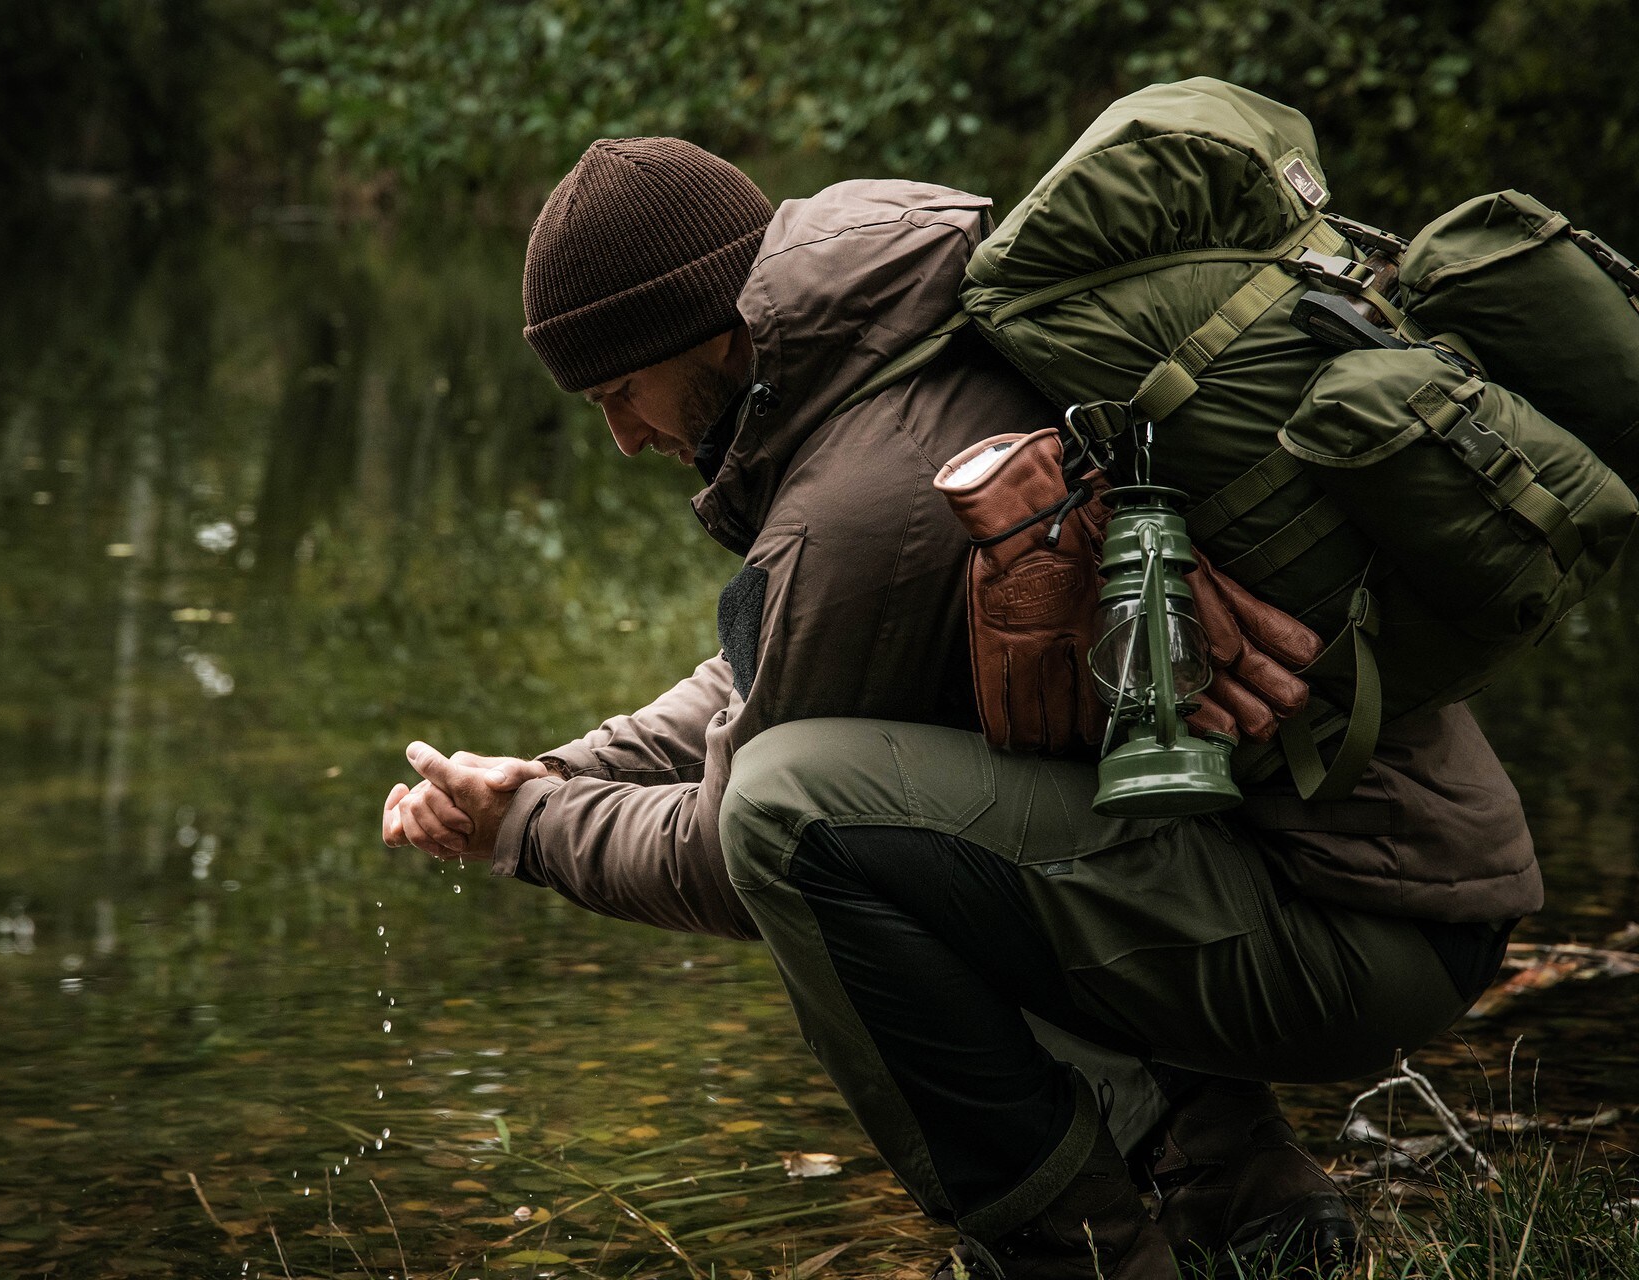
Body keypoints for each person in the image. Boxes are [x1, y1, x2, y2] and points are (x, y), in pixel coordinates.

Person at [380, 138, 1539, 1278]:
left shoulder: (861, 505)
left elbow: (725, 846)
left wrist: (523, 828)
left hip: (1354, 939)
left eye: (621, 390)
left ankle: (1072, 1250)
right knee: (897, 788)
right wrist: (552, 766)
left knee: (801, 823)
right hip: (1394, 887)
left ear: (711, 331)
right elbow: (763, 668)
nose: (625, 435)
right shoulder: (913, 333)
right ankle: (1245, 1207)